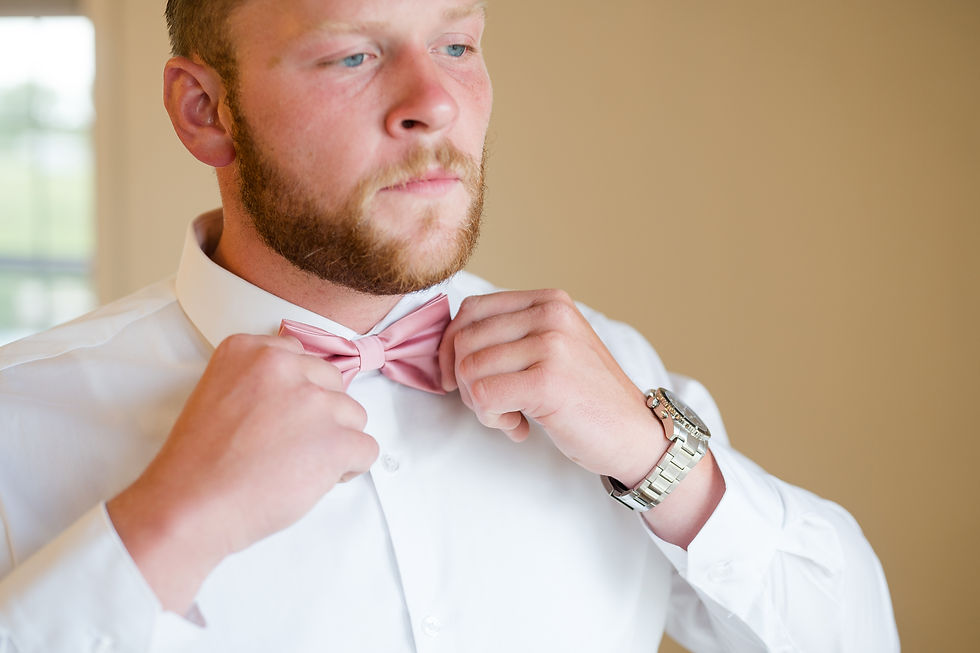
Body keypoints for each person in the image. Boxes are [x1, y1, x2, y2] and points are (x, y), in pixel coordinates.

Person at [0, 0, 898, 651]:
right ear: (206, 110)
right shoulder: (21, 422)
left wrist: (664, 460)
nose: (435, 101)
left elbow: (856, 634)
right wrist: (163, 528)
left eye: (459, 44)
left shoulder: (615, 381)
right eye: (351, 55)